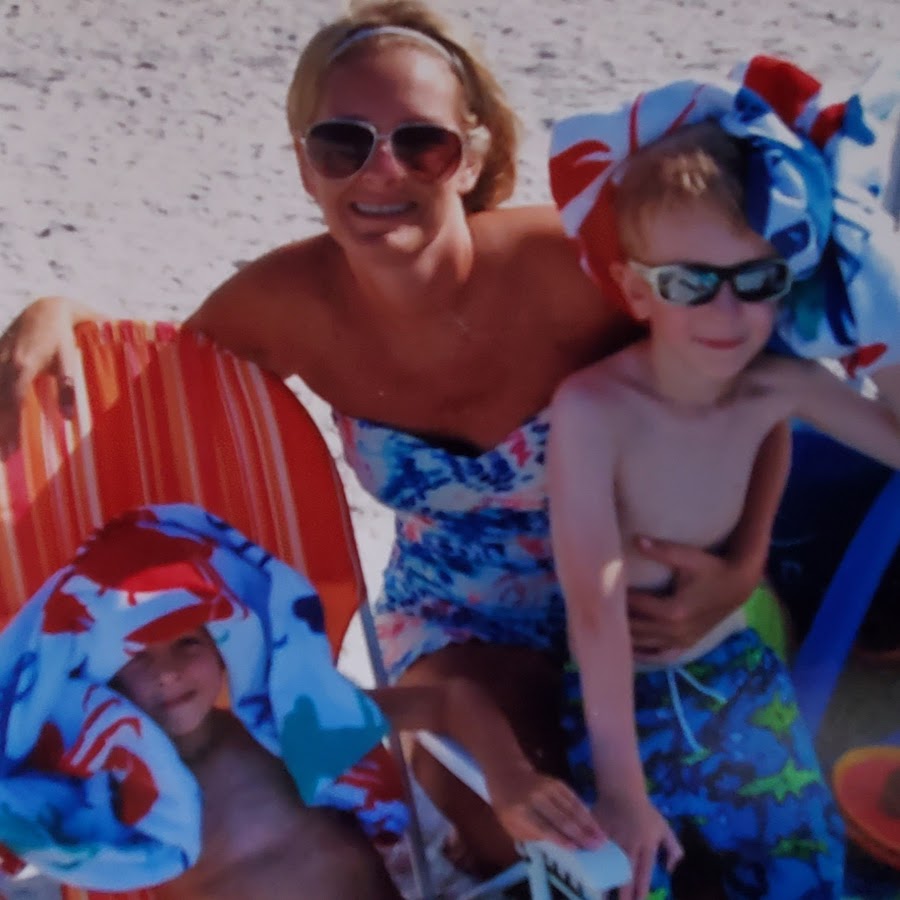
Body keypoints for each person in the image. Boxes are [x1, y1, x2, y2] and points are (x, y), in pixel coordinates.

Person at [0, 0, 790, 873]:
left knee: (717, 861)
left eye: (422, 143)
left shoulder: (567, 269)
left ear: (470, 157)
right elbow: (150, 392)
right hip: (458, 616)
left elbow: (758, 368)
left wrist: (744, 562)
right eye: (343, 144)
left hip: (640, 586)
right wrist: (60, 311)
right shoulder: (286, 306)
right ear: (305, 166)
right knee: (531, 843)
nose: (381, 172)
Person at [548, 120, 900, 900]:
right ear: (636, 291)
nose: (728, 311)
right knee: (635, 879)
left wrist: (879, 321)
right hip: (619, 698)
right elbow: (594, 603)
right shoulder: (595, 410)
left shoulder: (778, 385)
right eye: (690, 283)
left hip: (738, 671)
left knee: (809, 873)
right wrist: (623, 791)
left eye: (757, 279)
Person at [0, 503, 601, 899]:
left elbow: (449, 702)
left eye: (188, 643)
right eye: (137, 657)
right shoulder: (104, 781)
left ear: (225, 644)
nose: (169, 673)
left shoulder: (284, 723)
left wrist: (510, 777)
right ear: (100, 672)